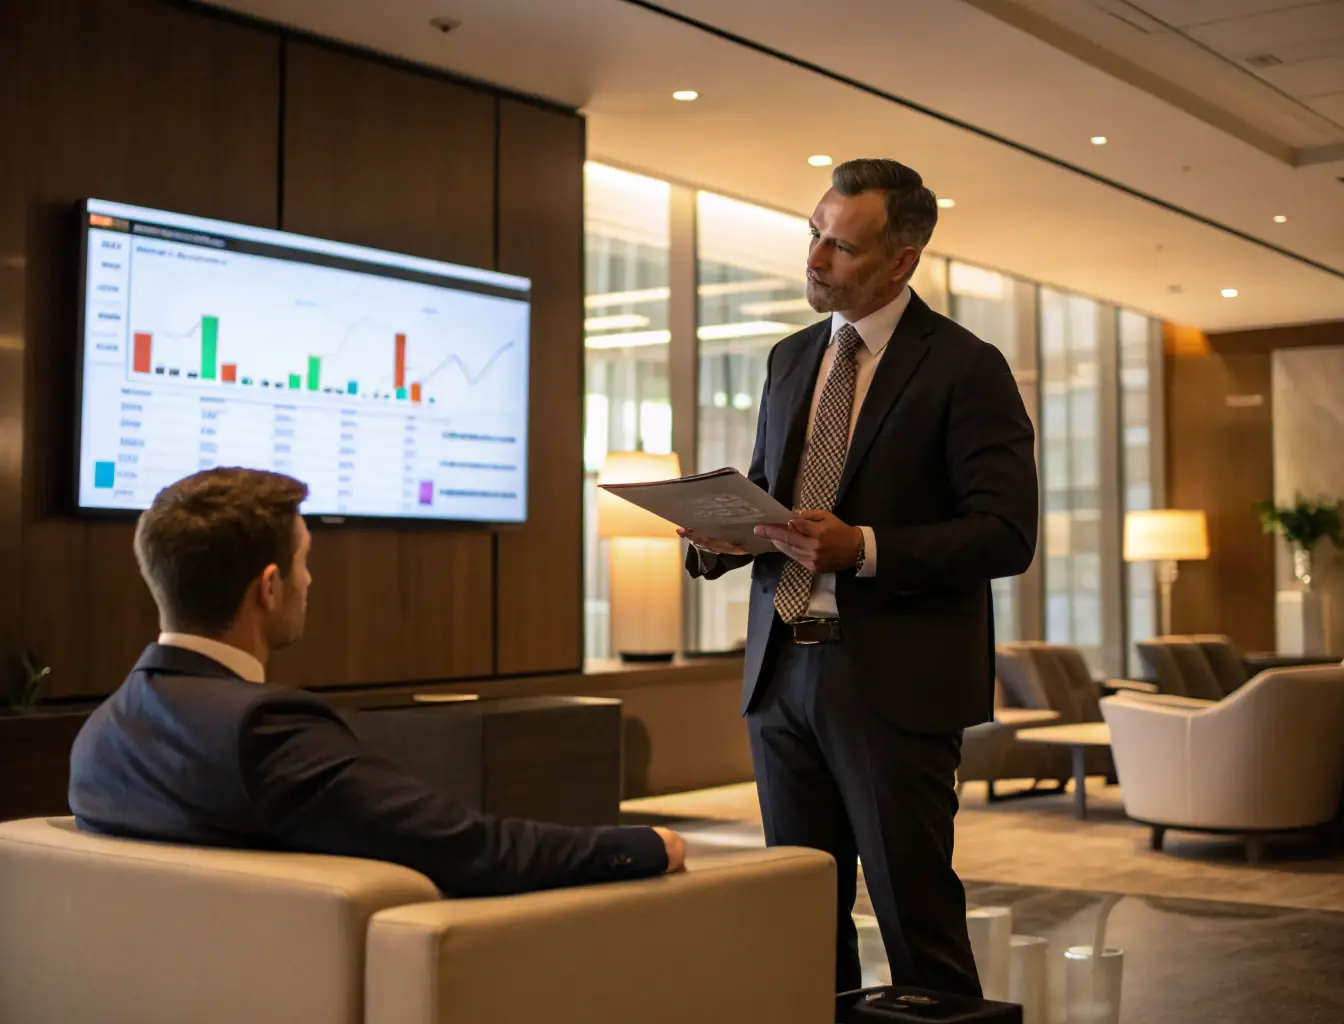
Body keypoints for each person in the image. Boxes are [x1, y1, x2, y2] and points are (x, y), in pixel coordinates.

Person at [681, 159, 1037, 996]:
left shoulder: (964, 367)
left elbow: (1004, 534)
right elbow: (776, 495)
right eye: (812, 233)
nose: (814, 258)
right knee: (799, 915)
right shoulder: (788, 357)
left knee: (915, 916)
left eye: (839, 247)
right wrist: (721, 537)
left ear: (901, 260)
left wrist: (865, 548)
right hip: (781, 674)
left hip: (893, 684)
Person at [69, 467, 686, 895]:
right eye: (305, 562)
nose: (310, 582)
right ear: (269, 586)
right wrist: (645, 846)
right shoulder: (264, 733)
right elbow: (474, 850)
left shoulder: (104, 731)